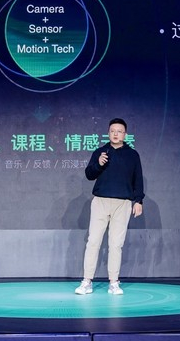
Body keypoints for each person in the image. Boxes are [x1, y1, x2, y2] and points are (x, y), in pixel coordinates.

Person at [75, 118, 144, 295]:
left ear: (125, 134)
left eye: (119, 131)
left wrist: (138, 201)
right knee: (93, 241)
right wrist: (98, 163)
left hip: (123, 203)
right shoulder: (100, 152)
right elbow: (89, 174)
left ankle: (113, 282)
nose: (115, 134)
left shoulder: (132, 155)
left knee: (116, 244)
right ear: (108, 133)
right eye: (112, 131)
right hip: (101, 201)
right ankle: (87, 281)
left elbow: (138, 179)